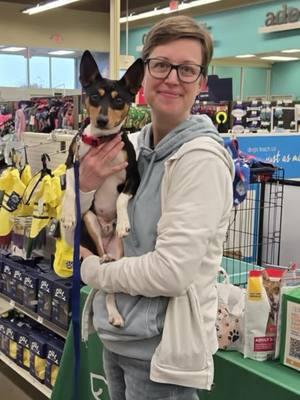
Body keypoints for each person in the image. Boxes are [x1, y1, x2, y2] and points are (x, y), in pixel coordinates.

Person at [78, 15, 234, 400]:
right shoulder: (127, 146)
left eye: (187, 69)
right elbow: (73, 230)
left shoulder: (201, 161)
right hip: (118, 338)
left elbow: (171, 274)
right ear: (142, 76)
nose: (171, 78)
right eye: (161, 65)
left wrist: (93, 270)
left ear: (201, 83)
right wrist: (81, 185)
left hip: (161, 356)